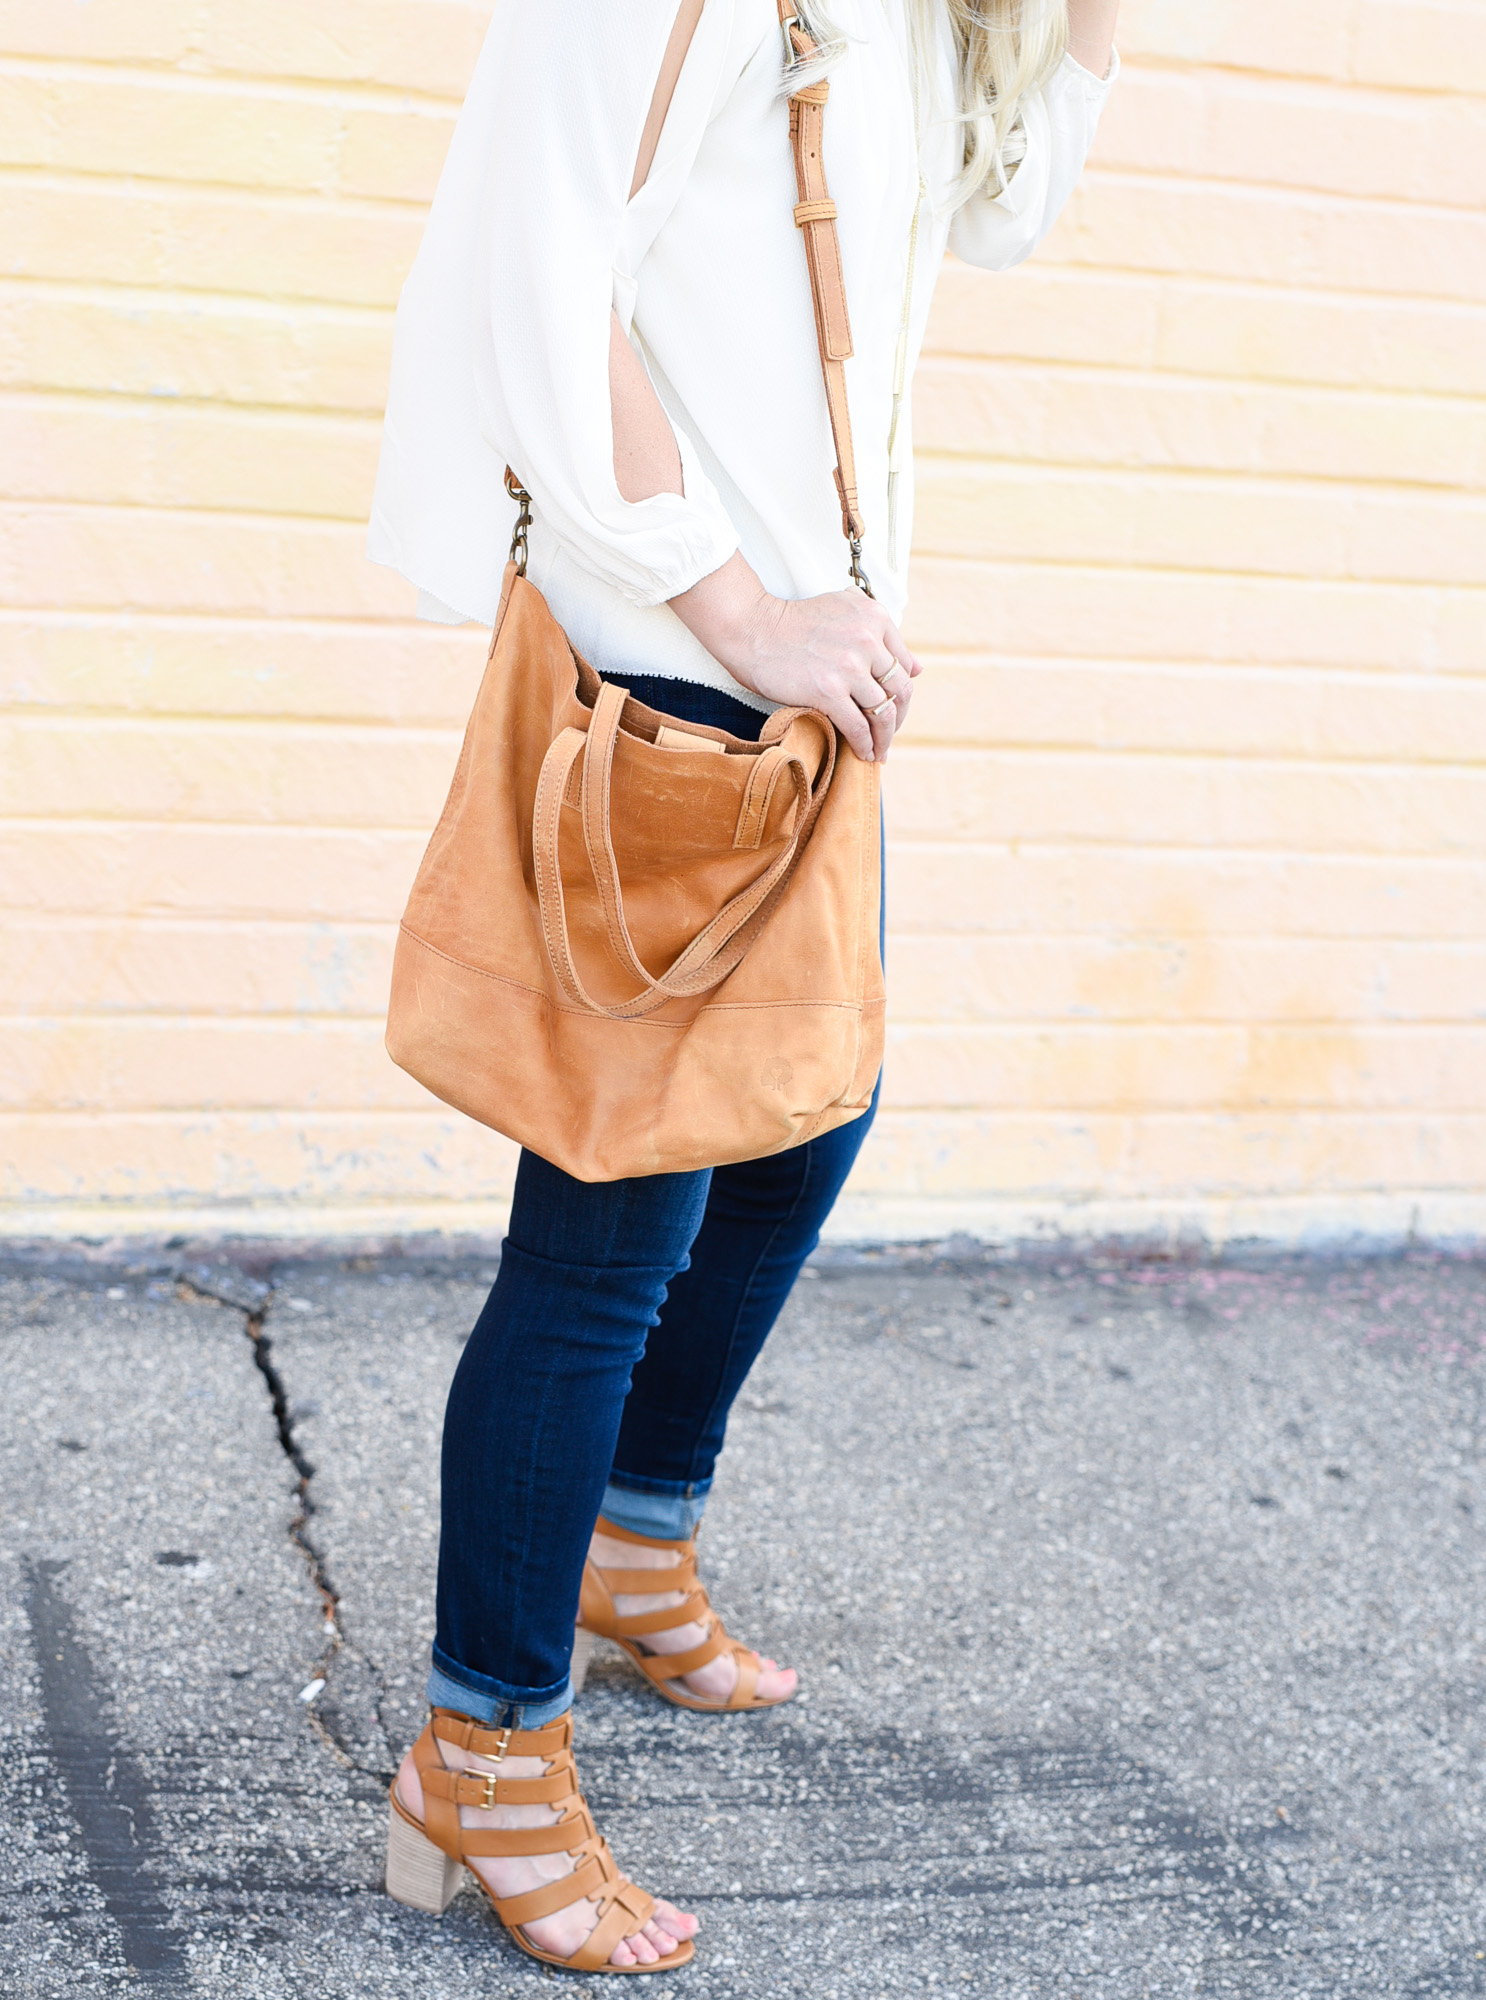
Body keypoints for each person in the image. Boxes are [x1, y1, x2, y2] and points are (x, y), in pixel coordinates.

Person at [368, 0, 1120, 1973]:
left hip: (806, 685)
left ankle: (627, 1539)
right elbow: (540, 263)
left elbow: (997, 213)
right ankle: (482, 1744)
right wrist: (736, 602)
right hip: (680, 679)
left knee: (809, 1125)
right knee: (607, 1230)